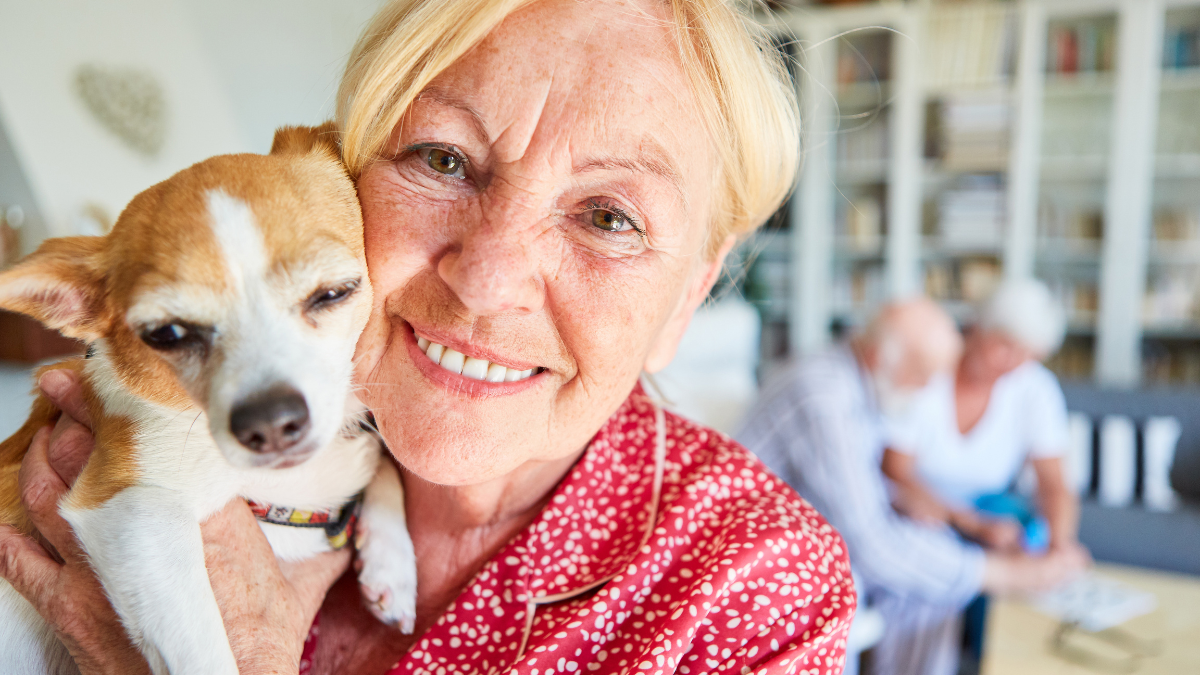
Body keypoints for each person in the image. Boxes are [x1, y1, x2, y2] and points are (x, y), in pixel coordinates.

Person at [0, 1, 856, 674]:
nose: (486, 278)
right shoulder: (168, 431)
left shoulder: (750, 588)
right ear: (344, 174)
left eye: (609, 216)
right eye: (443, 160)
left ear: (686, 300)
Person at [737, 298, 1088, 675]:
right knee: (925, 581)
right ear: (877, 356)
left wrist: (947, 518)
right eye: (921, 376)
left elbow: (856, 483)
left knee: (930, 565)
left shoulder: (854, 379)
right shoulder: (824, 396)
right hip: (757, 558)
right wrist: (1005, 574)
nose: (925, 390)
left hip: (804, 537)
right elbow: (872, 543)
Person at [881, 279, 1088, 559]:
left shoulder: (1036, 387)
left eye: (1029, 354)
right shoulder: (929, 369)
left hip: (988, 516)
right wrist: (971, 524)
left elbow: (1053, 483)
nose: (1014, 362)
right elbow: (896, 471)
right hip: (917, 510)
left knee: (1027, 536)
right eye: (1006, 345)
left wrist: (1060, 547)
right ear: (977, 328)